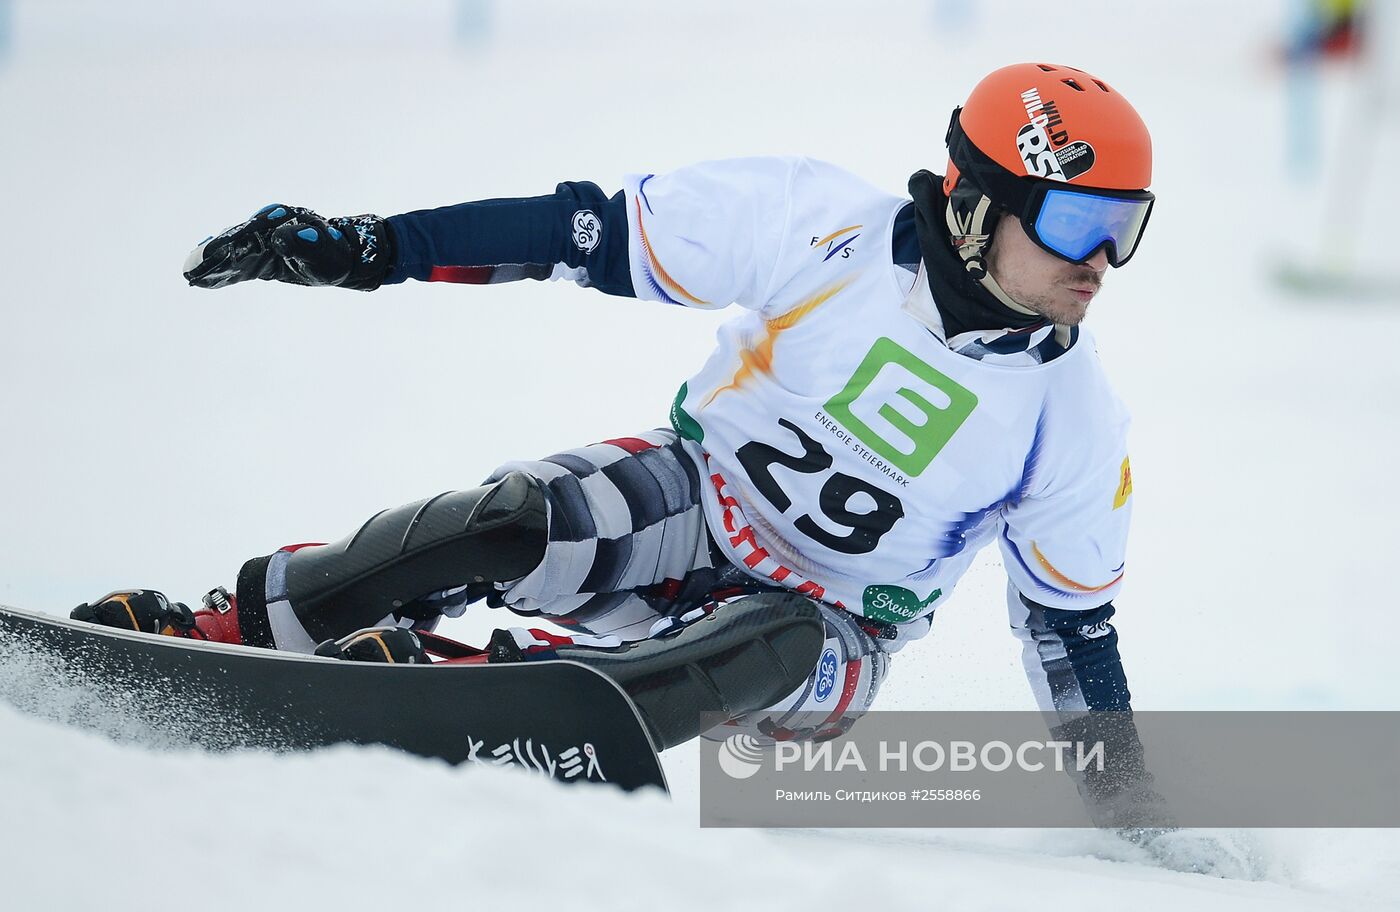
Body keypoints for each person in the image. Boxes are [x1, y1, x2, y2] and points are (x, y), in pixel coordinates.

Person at [76, 62, 1152, 760]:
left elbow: (1068, 629)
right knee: (518, 518)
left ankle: (523, 712)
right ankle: (235, 631)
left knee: (770, 635)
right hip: (692, 503)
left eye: (1125, 227)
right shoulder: (816, 225)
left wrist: (1126, 814)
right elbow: (575, 232)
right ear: (973, 201)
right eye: (1074, 219)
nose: (1101, 260)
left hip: (830, 632)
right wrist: (372, 247)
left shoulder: (1072, 415)